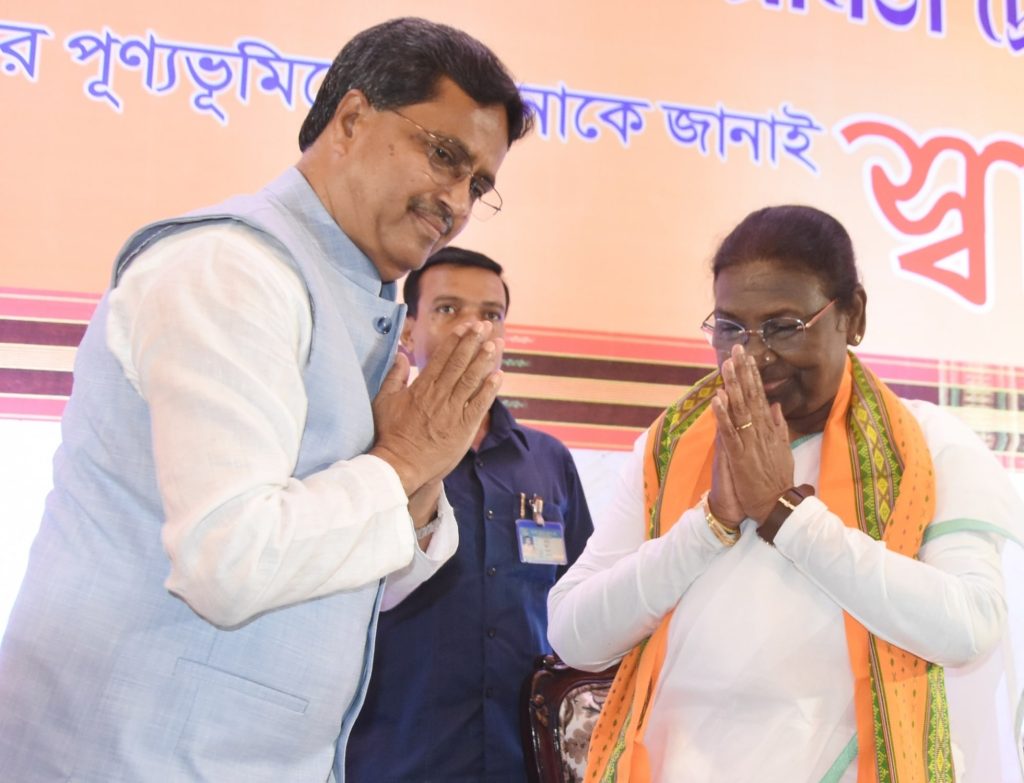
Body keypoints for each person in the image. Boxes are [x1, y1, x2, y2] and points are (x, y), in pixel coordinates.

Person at [0, 17, 532, 782]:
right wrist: (404, 459)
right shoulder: (231, 269)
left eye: (477, 184)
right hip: (125, 756)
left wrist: (416, 484)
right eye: (443, 155)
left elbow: (362, 581)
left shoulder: (356, 299)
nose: (455, 200)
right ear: (351, 120)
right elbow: (230, 560)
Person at [546, 205, 1024, 782]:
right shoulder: (670, 446)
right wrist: (711, 523)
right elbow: (574, 635)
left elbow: (970, 627)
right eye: (730, 328)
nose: (753, 354)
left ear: (852, 317)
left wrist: (788, 515)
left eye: (783, 326)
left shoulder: (930, 446)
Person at [347, 247, 594, 783]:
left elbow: (584, 601)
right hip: (394, 759)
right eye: (448, 309)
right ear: (408, 329)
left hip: (524, 762)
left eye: (490, 314)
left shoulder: (548, 461)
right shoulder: (369, 447)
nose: (473, 328)